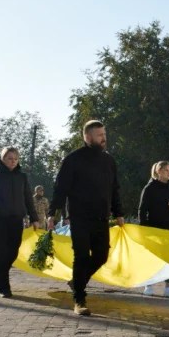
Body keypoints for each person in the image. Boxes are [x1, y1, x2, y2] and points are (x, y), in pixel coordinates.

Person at [48, 120, 124, 316]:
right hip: (79, 218)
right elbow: (60, 189)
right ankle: (79, 300)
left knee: (101, 256)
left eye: (104, 134)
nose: (103, 138)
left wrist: (119, 213)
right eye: (99, 135)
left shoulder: (109, 161)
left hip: (101, 218)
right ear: (87, 137)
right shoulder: (73, 159)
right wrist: (52, 213)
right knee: (81, 257)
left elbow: (114, 189)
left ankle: (76, 282)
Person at [0, 147, 40, 298]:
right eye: (9, 158)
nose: (13, 161)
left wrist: (34, 218)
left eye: (15, 158)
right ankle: (4, 288)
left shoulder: (22, 177)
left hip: (16, 220)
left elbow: (28, 199)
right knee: (0, 254)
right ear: (2, 159)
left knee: (12, 253)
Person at [139, 161, 169, 298]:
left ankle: (168, 287)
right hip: (153, 228)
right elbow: (142, 210)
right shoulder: (149, 188)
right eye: (166, 170)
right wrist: (144, 229)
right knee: (152, 258)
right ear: (158, 171)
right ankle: (149, 285)